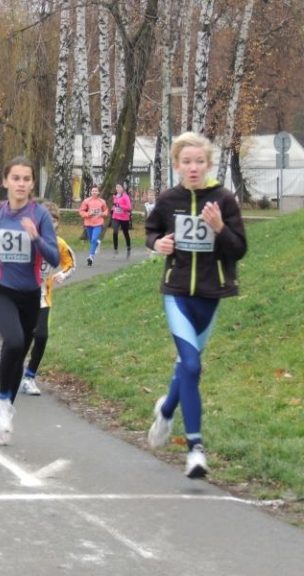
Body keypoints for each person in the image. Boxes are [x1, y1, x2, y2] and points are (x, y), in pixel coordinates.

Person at [145, 131, 247, 479]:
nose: (192, 168)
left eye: (199, 162)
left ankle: (168, 408)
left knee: (187, 368)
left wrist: (219, 227)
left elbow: (238, 250)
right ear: (176, 165)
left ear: (209, 164)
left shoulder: (224, 200)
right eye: (186, 162)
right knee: (191, 365)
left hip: (210, 295)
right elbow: (151, 231)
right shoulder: (168, 199)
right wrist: (158, 243)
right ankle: (195, 450)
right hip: (176, 293)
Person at [0, 156, 59, 445]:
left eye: (26, 179)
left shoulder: (40, 216)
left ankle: (5, 403)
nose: (21, 184)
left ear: (32, 183)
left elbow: (55, 258)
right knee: (14, 340)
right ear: (6, 181)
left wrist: (36, 239)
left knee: (19, 352)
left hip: (30, 294)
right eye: (16, 178)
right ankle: (2, 400)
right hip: (0, 290)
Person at [19, 201, 76, 395]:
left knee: (41, 335)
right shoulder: (26, 240)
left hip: (43, 296)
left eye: (53, 221)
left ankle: (30, 376)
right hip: (22, 295)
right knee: (21, 337)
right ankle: (12, 365)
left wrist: (62, 274)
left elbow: (71, 263)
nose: (50, 224)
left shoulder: (58, 244)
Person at [78, 184, 108, 266]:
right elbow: (81, 211)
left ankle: (91, 256)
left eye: (96, 191)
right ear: (91, 192)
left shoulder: (102, 201)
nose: (94, 192)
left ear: (98, 192)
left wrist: (103, 213)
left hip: (98, 223)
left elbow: (106, 211)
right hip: (88, 223)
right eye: (93, 191)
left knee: (94, 239)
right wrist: (88, 214)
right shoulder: (86, 201)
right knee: (92, 240)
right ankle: (97, 244)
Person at [111, 182, 132, 258]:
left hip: (124, 218)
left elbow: (129, 207)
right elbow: (115, 205)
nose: (117, 189)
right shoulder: (115, 196)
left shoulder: (125, 196)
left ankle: (128, 247)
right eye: (116, 187)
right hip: (115, 217)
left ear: (123, 188)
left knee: (125, 233)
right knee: (115, 232)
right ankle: (115, 249)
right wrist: (113, 208)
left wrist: (120, 205)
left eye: (119, 187)